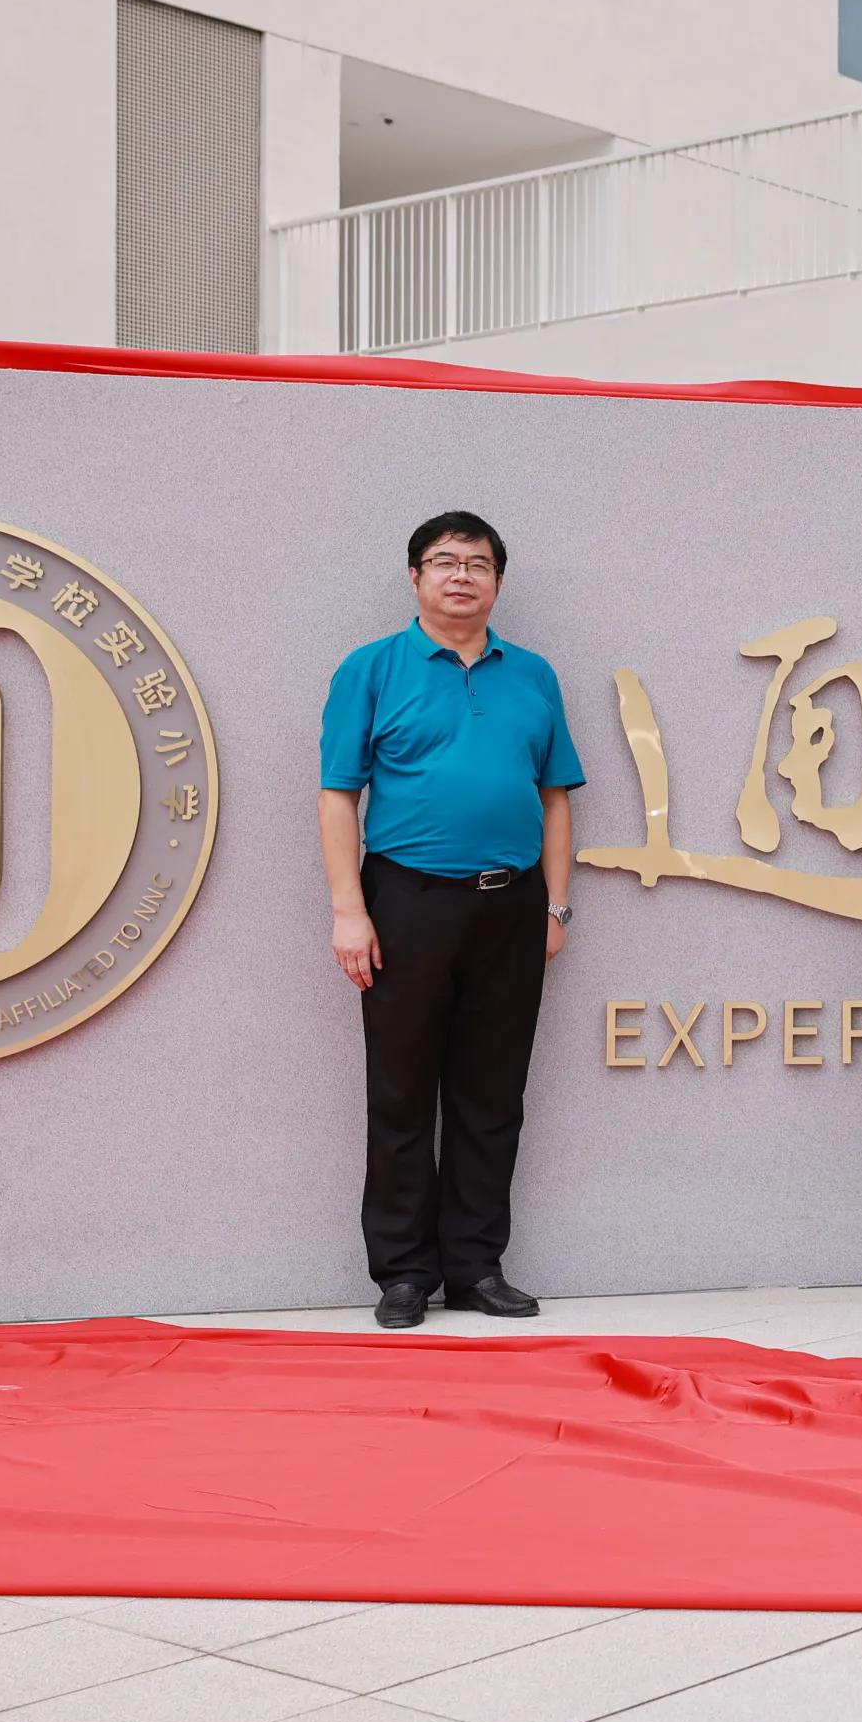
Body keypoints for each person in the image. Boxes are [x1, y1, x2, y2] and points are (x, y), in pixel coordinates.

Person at [318, 510, 585, 1329]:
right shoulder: (371, 669)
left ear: (498, 581)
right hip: (405, 899)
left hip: (512, 904)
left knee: (492, 1091)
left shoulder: (533, 674)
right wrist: (348, 911)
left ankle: (475, 1266)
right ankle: (403, 1272)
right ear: (415, 577)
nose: (461, 575)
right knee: (402, 1091)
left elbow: (556, 796)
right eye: (444, 561)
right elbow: (338, 794)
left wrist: (557, 901)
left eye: (477, 563)